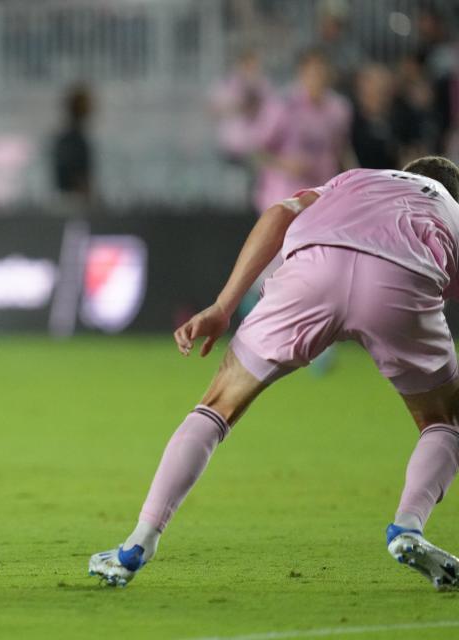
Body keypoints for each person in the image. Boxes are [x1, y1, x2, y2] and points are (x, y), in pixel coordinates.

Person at [89, 156, 459, 590]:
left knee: (216, 407)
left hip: (313, 268)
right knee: (443, 422)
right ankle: (408, 527)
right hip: (401, 277)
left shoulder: (356, 178)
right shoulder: (451, 208)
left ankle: (139, 541)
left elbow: (280, 212)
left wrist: (223, 307)